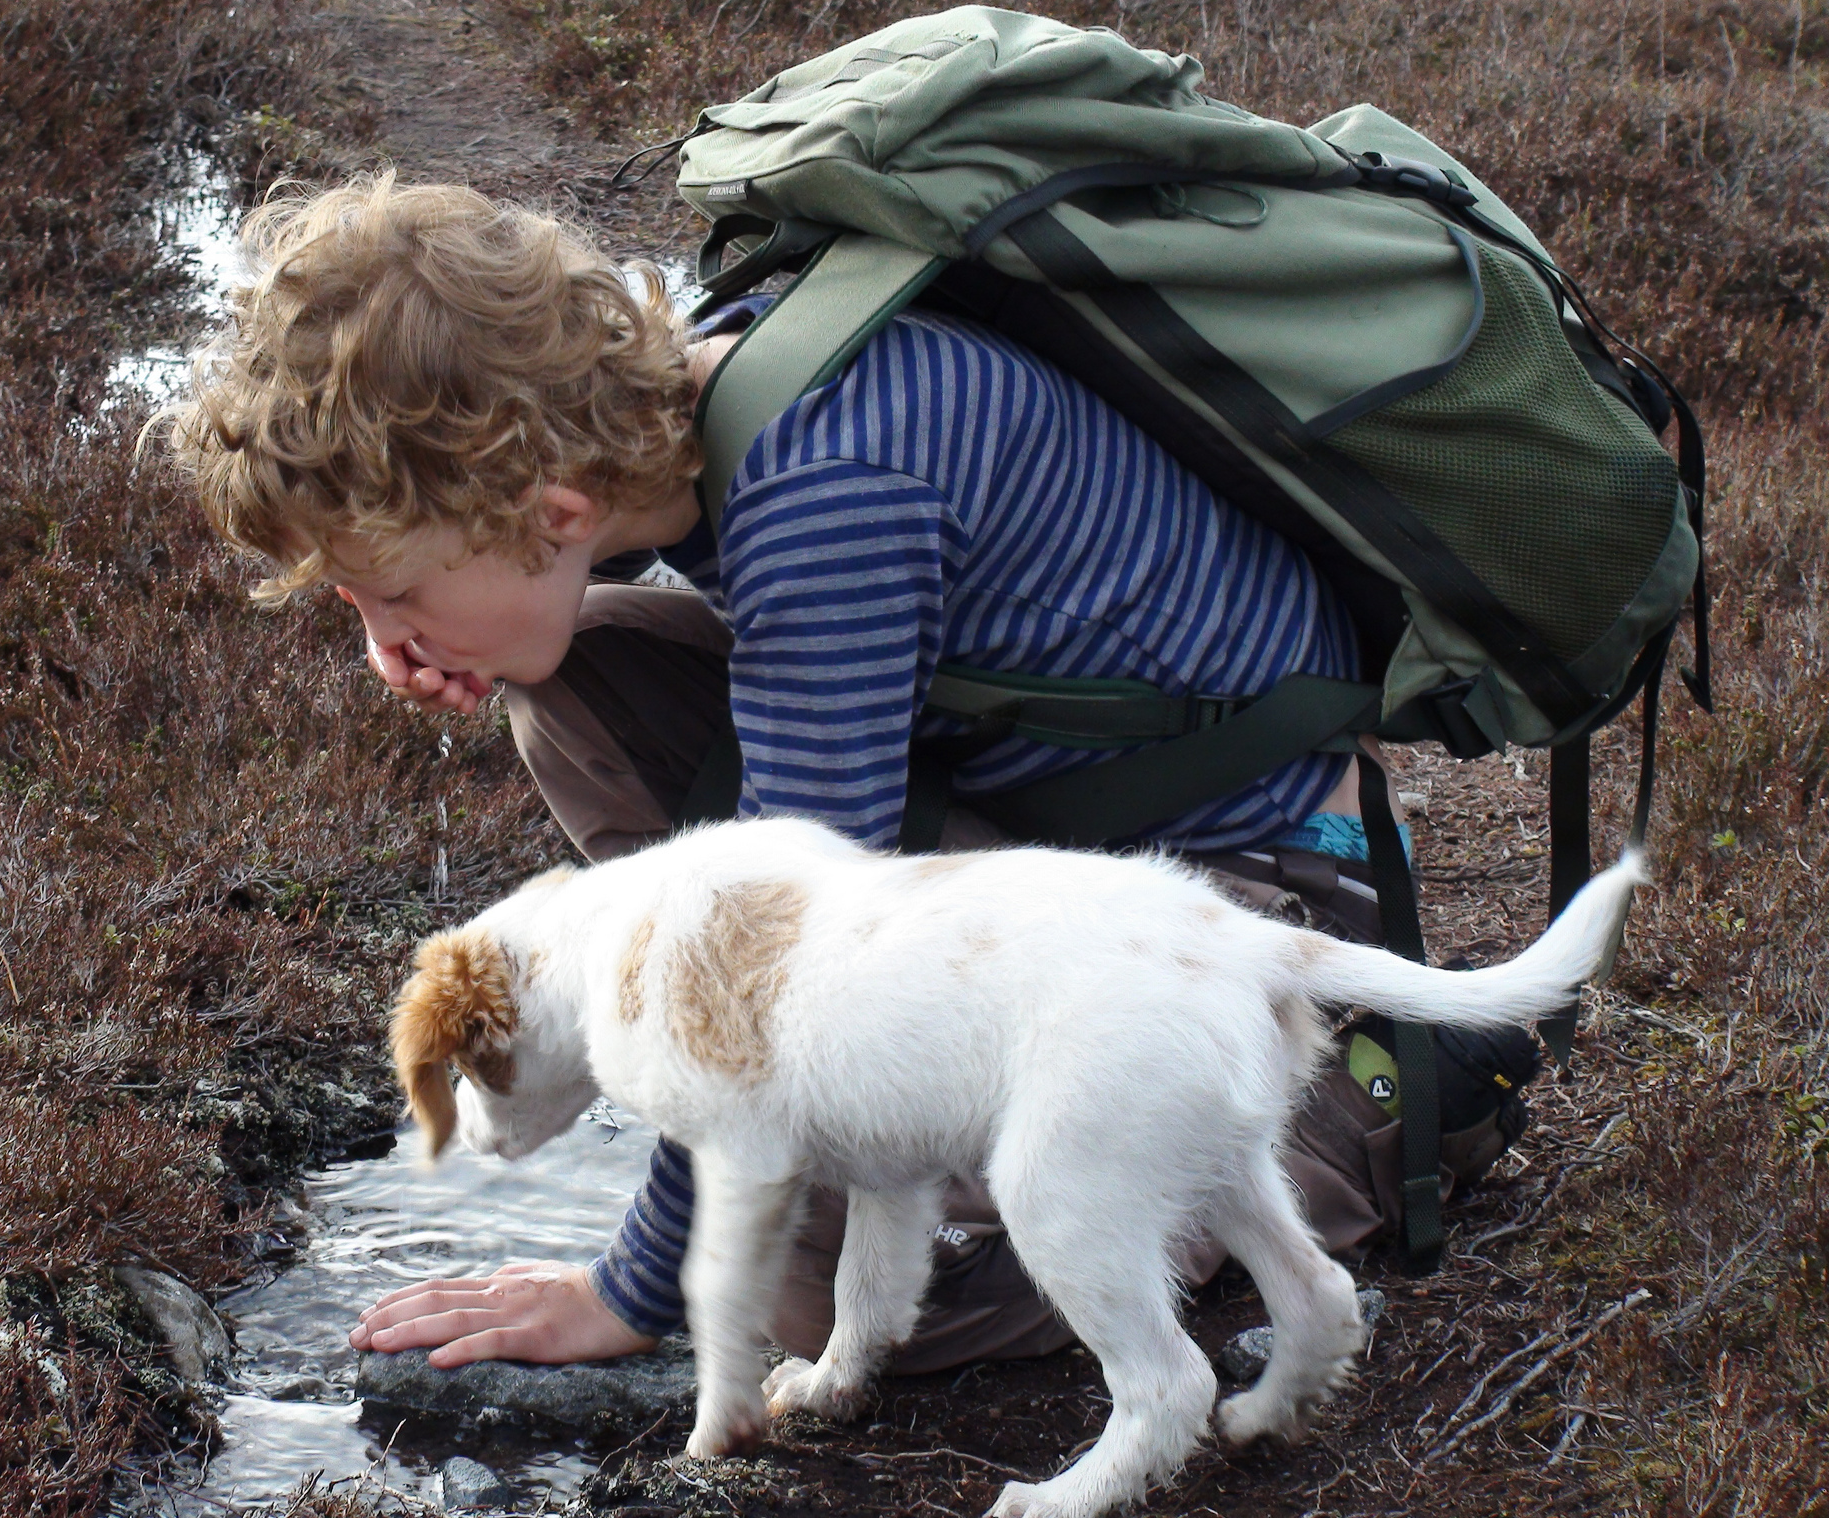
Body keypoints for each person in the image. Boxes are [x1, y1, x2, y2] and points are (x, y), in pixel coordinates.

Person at [159, 171, 1432, 1379]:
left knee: (806, 1294)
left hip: (1253, 913)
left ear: (551, 516)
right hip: (1069, 826)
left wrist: (632, 1288)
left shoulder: (824, 503)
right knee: (584, 681)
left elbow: (752, 970)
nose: (384, 645)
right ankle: (834, 1116)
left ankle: (1349, 1125)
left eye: (392, 594)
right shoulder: (735, 378)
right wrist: (485, 625)